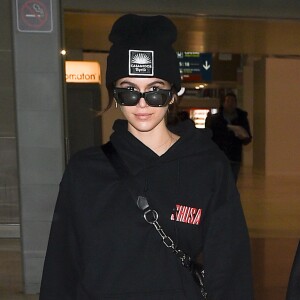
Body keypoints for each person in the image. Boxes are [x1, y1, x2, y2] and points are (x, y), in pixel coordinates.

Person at [39, 14, 253, 299]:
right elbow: (61, 269)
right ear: (114, 93)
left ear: (174, 93)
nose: (142, 104)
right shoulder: (85, 171)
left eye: (155, 91)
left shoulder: (207, 168)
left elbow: (230, 272)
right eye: (129, 90)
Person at [205, 92, 252, 182]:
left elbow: (248, 137)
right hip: (219, 156)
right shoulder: (216, 119)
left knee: (232, 181)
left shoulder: (241, 118)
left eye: (233, 101)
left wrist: (243, 137)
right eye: (228, 101)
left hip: (234, 156)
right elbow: (209, 136)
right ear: (223, 103)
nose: (230, 103)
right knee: (220, 181)